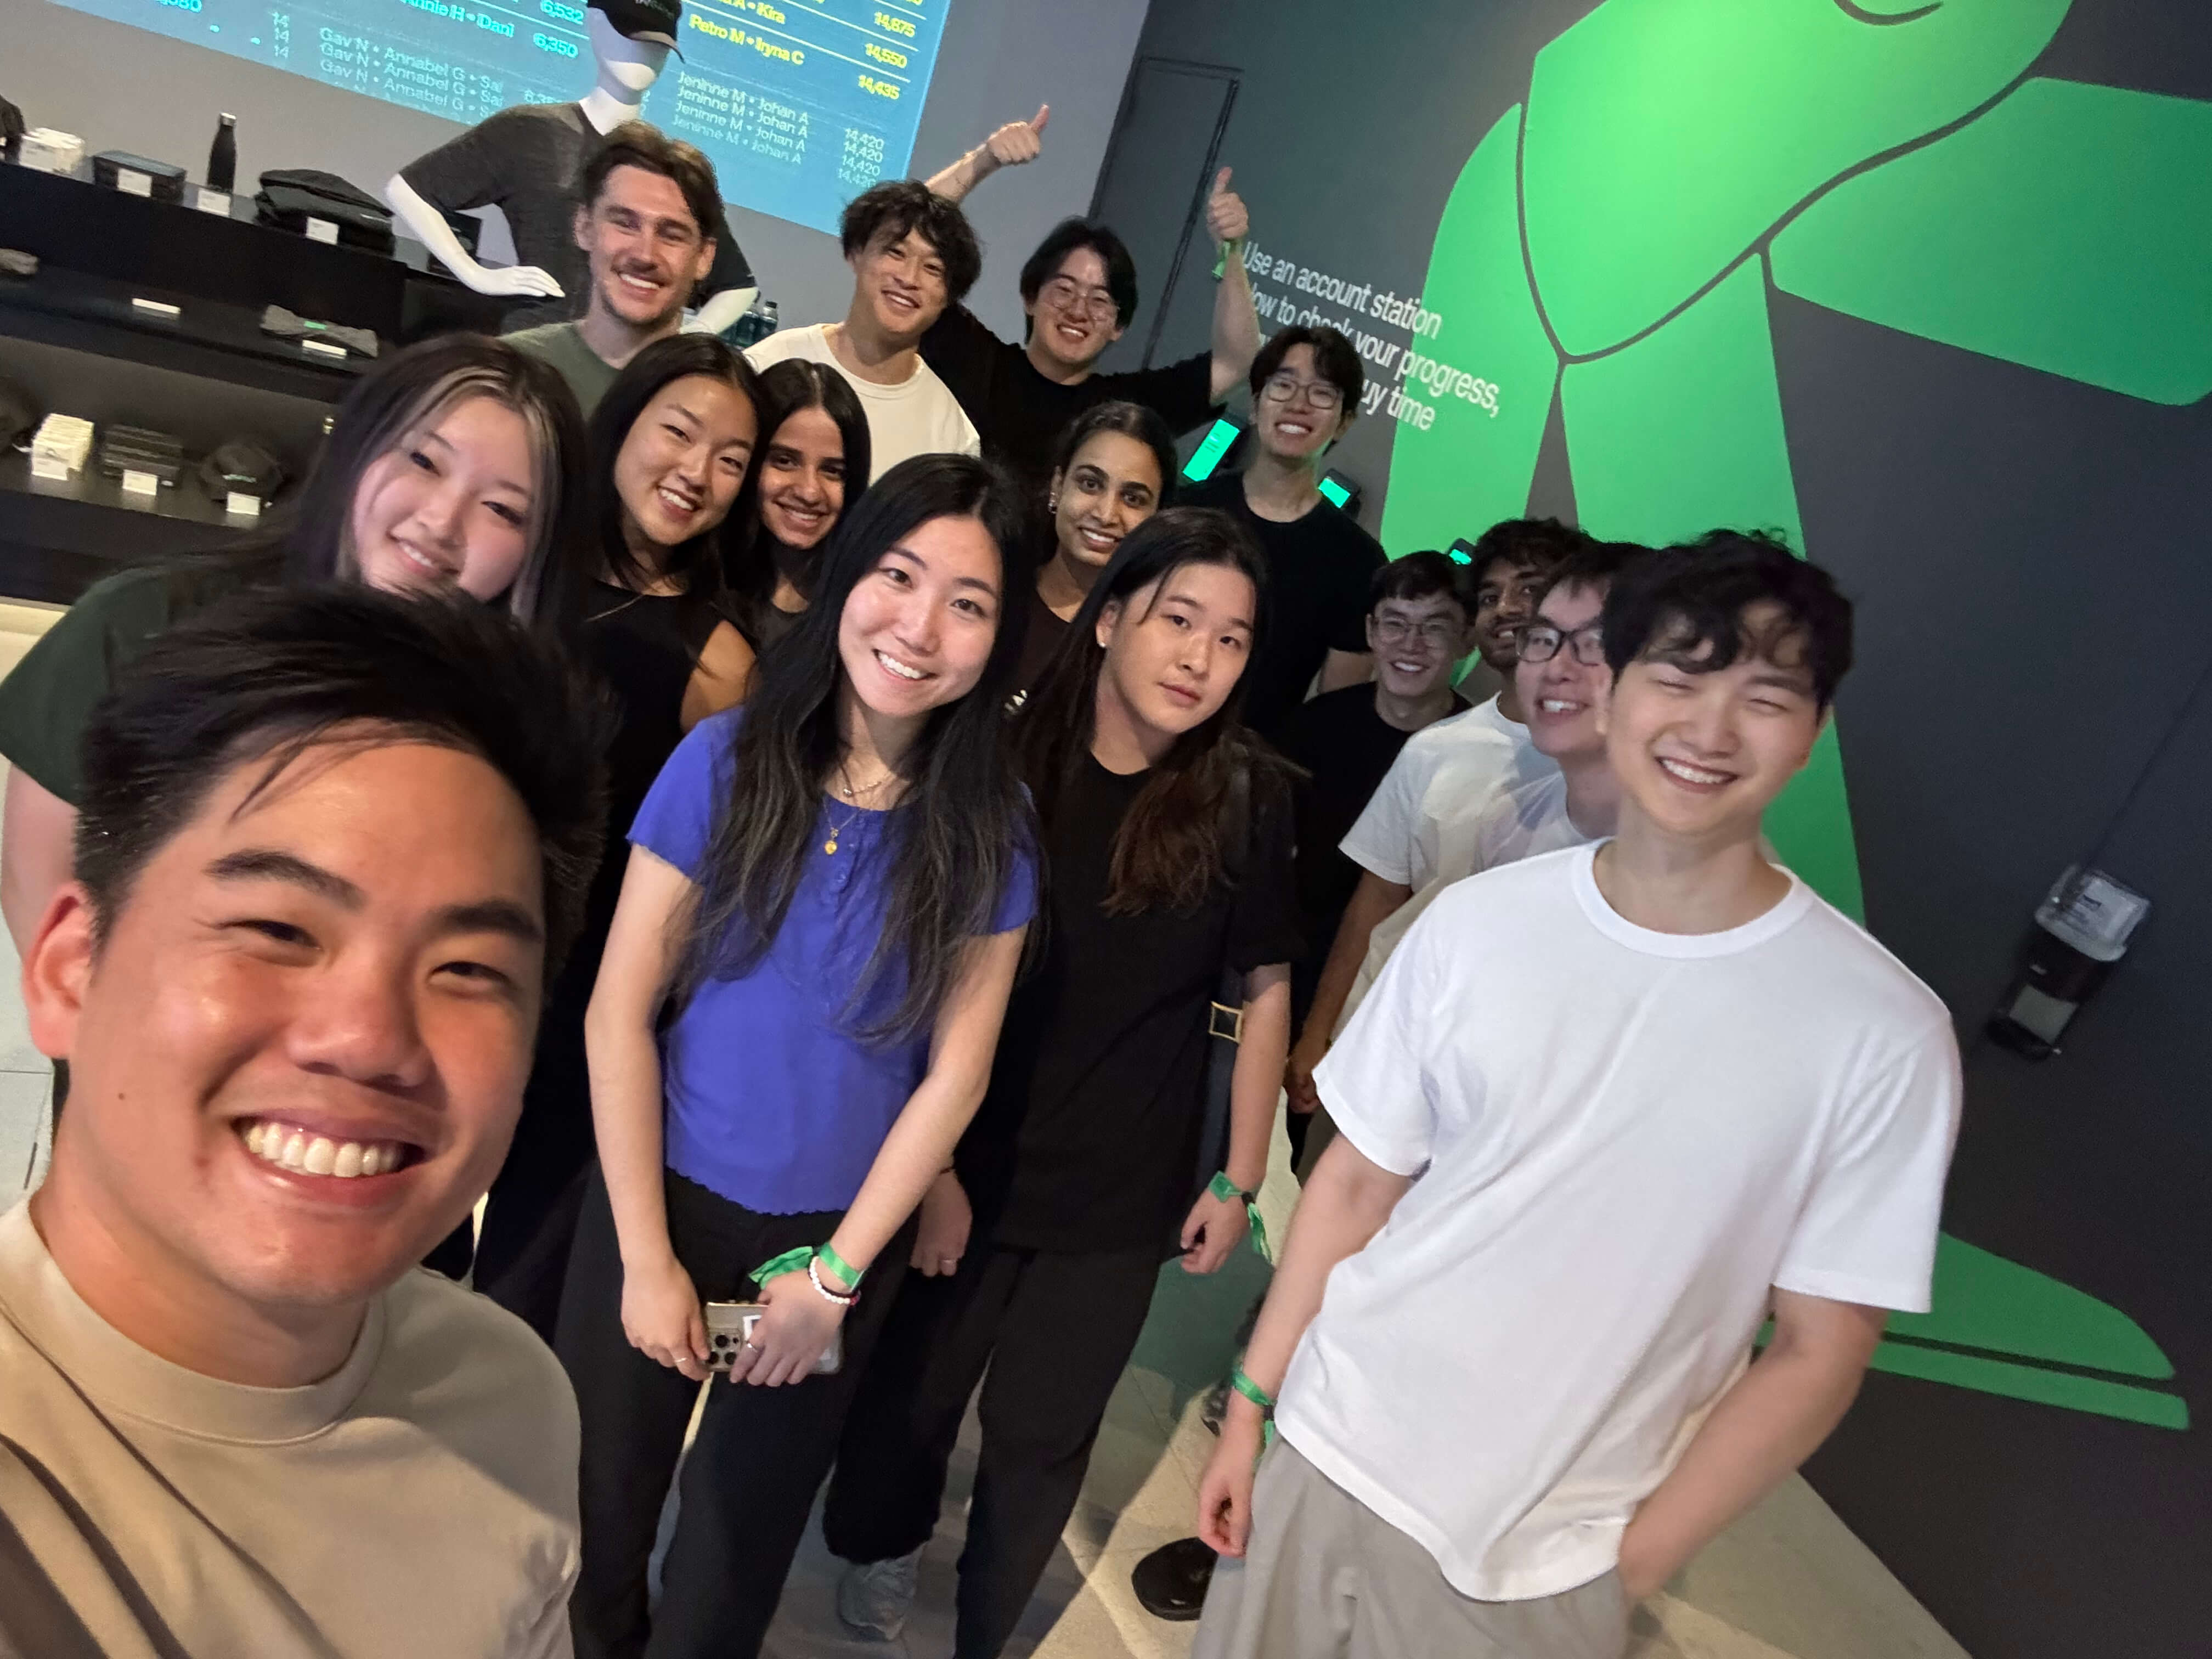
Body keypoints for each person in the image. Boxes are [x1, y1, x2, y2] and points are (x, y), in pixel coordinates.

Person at [1192, 534, 1962, 1659]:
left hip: (1544, 1562)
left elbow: (1818, 1348)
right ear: (1616, 690)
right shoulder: (1480, 923)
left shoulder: (1880, 1033)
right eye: (1677, 676)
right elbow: (1357, 1185)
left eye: (1764, 694)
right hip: (1328, 1446)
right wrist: (1256, 1405)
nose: (1707, 729)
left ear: (1817, 727)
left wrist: (1628, 1569)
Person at [0, 586, 607, 1658]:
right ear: (67, 969)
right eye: (278, 927)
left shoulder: (512, 1402)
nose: (368, 1039)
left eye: (468, 969)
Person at [557, 453, 1040, 1658]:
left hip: (824, 1244)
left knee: (734, 1549)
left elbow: (956, 1075)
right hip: (658, 1201)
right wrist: (642, 1256)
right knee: (596, 1523)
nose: (920, 628)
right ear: (847, 582)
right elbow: (619, 1010)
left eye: (969, 604)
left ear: (1002, 635)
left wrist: (831, 1283)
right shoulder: (725, 762)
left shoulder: (991, 827)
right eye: (898, 575)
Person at [825, 508, 1300, 1657]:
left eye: (1231, 640)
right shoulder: (998, 756)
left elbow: (1266, 986)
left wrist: (1239, 1178)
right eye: (1179, 619)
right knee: (913, 1400)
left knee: (1045, 1433)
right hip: (968, 1166)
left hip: (1122, 1187)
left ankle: (990, 1624)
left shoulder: (1245, 794)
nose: (1200, 658)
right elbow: (922, 960)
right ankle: (882, 1547)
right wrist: (931, 1163)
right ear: (1113, 617)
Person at [0, 332, 592, 962]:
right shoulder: (144, 621)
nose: (442, 522)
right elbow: (38, 874)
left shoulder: (508, 723)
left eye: (502, 509)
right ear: (360, 447)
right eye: (423, 461)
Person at [462, 333, 765, 1338]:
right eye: (680, 432)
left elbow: (702, 875)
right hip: (448, 944)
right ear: (624, 419)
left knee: (516, 1288)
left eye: (731, 460)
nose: (698, 473)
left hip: (580, 993)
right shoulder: (518, 559)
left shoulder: (717, 657)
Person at [1284, 516, 1582, 1116]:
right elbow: (1377, 900)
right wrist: (1320, 1032)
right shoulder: (1437, 748)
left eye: (1529, 591)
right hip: (1387, 1041)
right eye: (1492, 595)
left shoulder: (1604, 758)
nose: (1507, 609)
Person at [919, 106, 1260, 501]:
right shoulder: (978, 362)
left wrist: (1230, 253)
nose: (1078, 311)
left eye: (1100, 300)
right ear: (1031, 297)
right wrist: (983, 161)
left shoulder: (1125, 412)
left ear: (1120, 325)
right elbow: (907, 234)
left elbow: (1236, 361)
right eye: (1064, 289)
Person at [1269, 551, 1471, 1162]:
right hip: (1297, 976)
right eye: (1395, 623)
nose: (1411, 644)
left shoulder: (1480, 756)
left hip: (1411, 1003)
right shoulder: (1306, 733)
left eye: (1435, 627)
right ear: (1369, 633)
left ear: (1464, 641)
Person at [387, 0, 754, 332]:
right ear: (595, 24)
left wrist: (686, 339)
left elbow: (738, 284)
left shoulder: (664, 168)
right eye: (630, 34)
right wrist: (476, 274)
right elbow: (409, 189)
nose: (642, 53)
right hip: (537, 345)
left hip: (623, 370)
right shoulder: (534, 131)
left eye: (657, 44)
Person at [1180, 326, 1384, 737]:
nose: (1298, 404)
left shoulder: (1359, 561)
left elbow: (1333, 714)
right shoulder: (1186, 509)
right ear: (1256, 405)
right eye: (1283, 386)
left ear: (1345, 422)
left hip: (1247, 766)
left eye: (1322, 393)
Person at [745, 180, 984, 480]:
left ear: (949, 296)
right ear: (856, 253)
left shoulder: (953, 437)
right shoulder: (767, 363)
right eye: (896, 253)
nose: (910, 278)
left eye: (933, 268)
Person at [504, 122, 729, 415]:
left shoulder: (723, 407)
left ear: (704, 257)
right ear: (584, 227)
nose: (645, 254)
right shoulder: (506, 371)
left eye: (672, 234)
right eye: (624, 223)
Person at [1014, 399, 1178, 696]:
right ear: (1058, 485)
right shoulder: (995, 595)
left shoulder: (1150, 643)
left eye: (1133, 499)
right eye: (1090, 484)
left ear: (1158, 514)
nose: (1105, 514)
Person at [724, 357, 872, 655]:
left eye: (833, 471)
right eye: (785, 461)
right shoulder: (693, 578)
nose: (809, 491)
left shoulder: (863, 603)